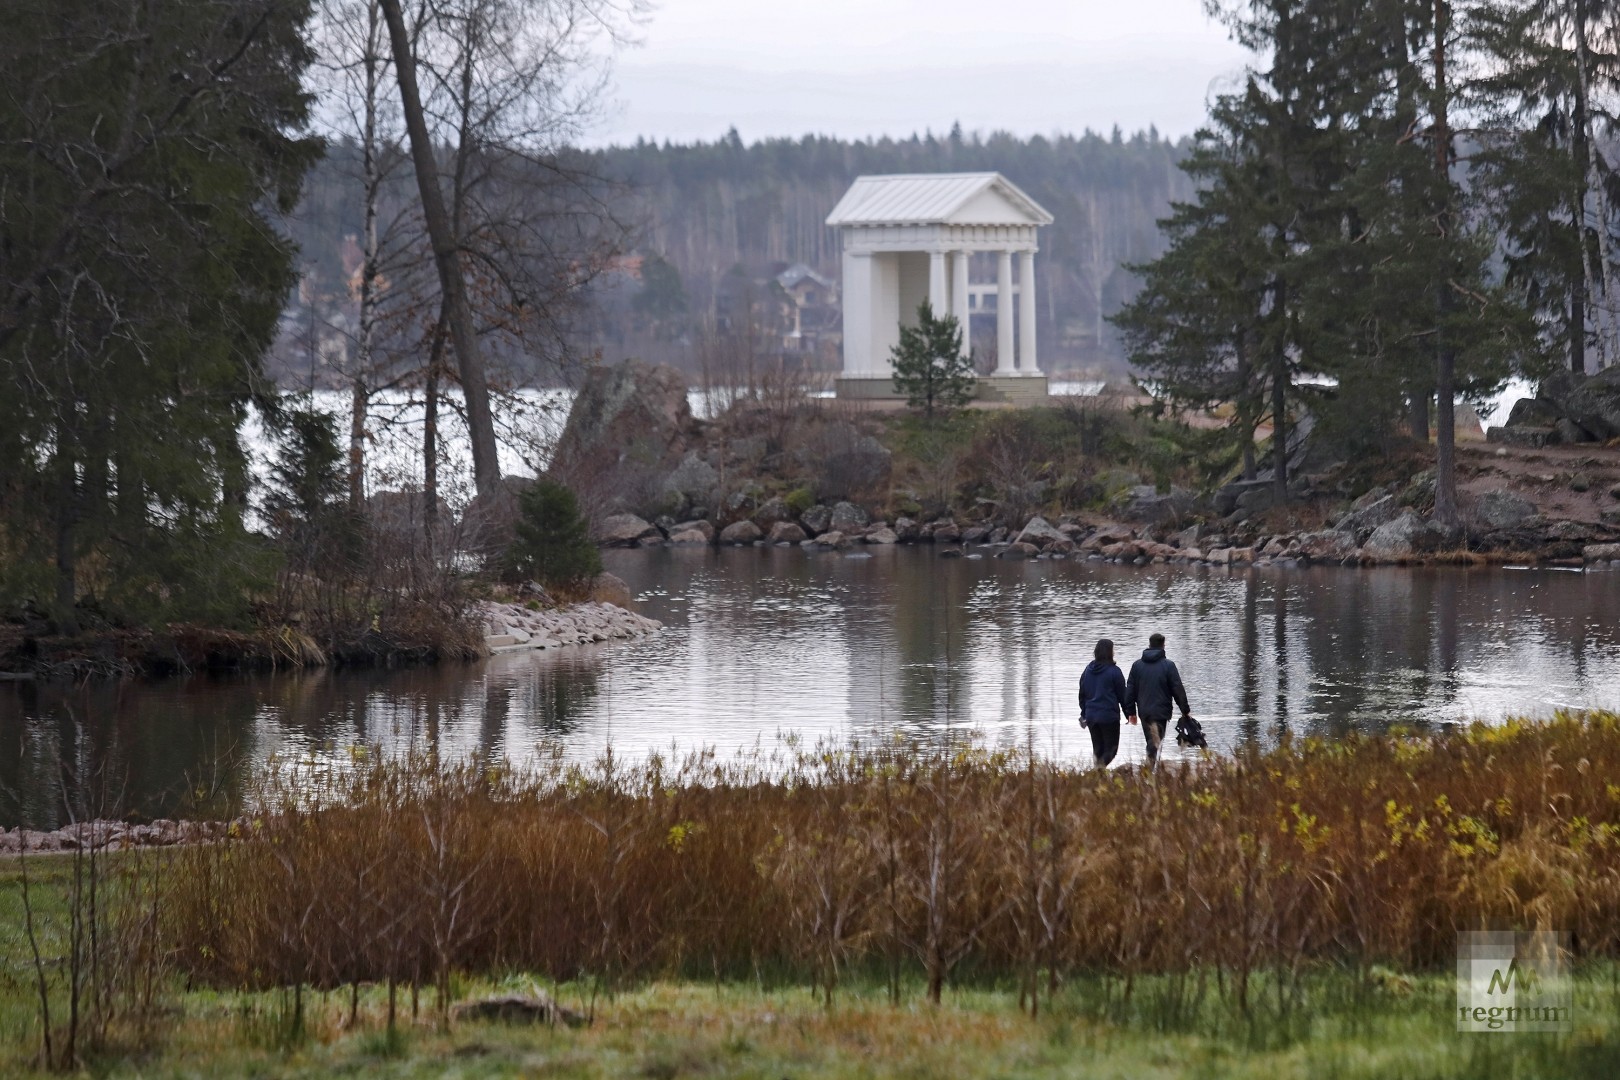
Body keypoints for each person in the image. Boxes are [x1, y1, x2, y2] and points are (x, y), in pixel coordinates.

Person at [1123, 632, 1192, 766]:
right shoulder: (1168, 666)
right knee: (1156, 741)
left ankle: (1151, 767)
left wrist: (1131, 712)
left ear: (1149, 645)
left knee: (1151, 739)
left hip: (1144, 711)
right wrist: (1185, 710)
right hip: (1162, 711)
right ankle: (1150, 769)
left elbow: (1130, 690)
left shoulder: (1137, 666)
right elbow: (1177, 689)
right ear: (1163, 646)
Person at [1077, 638, 1128, 767]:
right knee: (1111, 750)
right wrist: (1129, 713)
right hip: (1109, 717)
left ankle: (1097, 780)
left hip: (1092, 716)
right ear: (1110, 652)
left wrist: (1084, 713)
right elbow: (1123, 696)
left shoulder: (1087, 671)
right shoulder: (1115, 672)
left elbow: (1082, 694)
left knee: (1098, 750)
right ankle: (1097, 772)